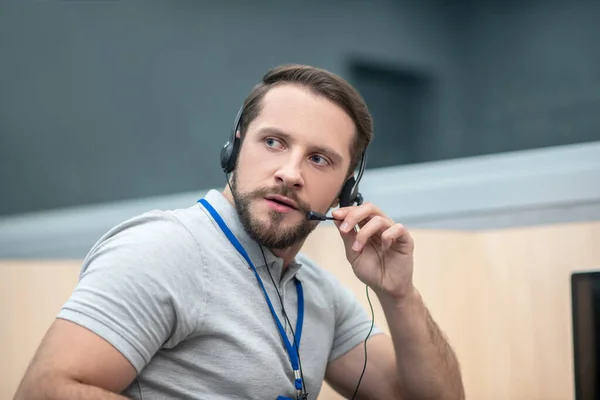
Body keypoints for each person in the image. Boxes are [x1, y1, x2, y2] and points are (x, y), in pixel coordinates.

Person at [14, 64, 464, 400]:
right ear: (235, 146)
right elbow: (44, 390)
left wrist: (400, 296)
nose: (289, 173)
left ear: (347, 189)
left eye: (319, 159)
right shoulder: (164, 249)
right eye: (273, 142)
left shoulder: (317, 293)